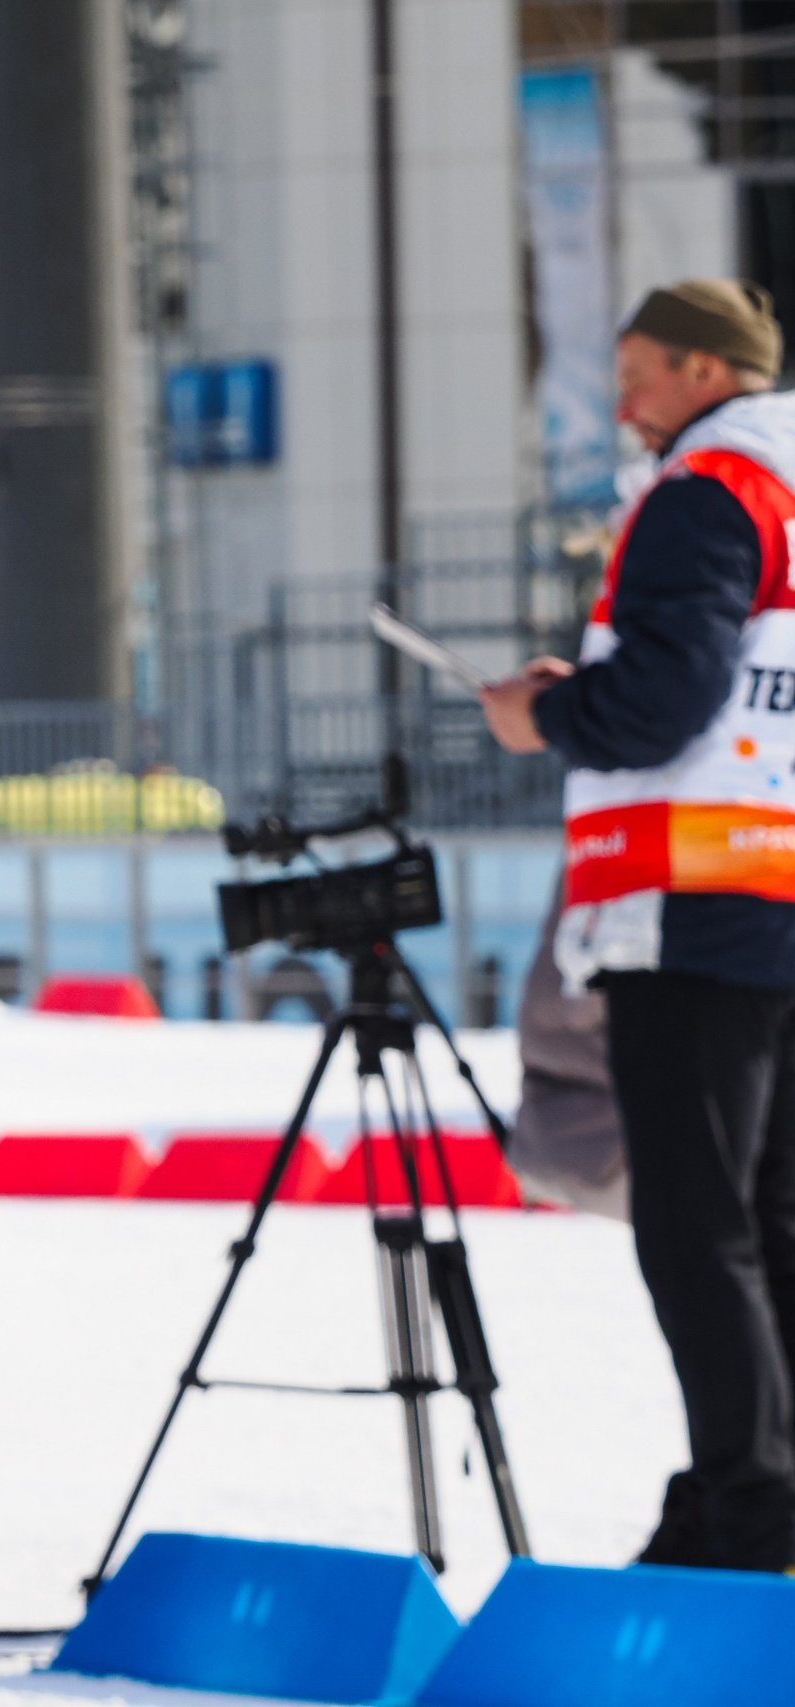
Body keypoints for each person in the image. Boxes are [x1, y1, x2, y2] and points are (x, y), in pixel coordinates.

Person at [482, 277, 795, 1574]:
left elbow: (670, 694)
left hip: (696, 905)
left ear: (710, 371)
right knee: (771, 1222)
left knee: (695, 1226)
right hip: (778, 894)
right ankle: (756, 1497)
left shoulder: (703, 492)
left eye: (643, 369)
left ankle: (752, 1521)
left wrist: (547, 716)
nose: (624, 400)